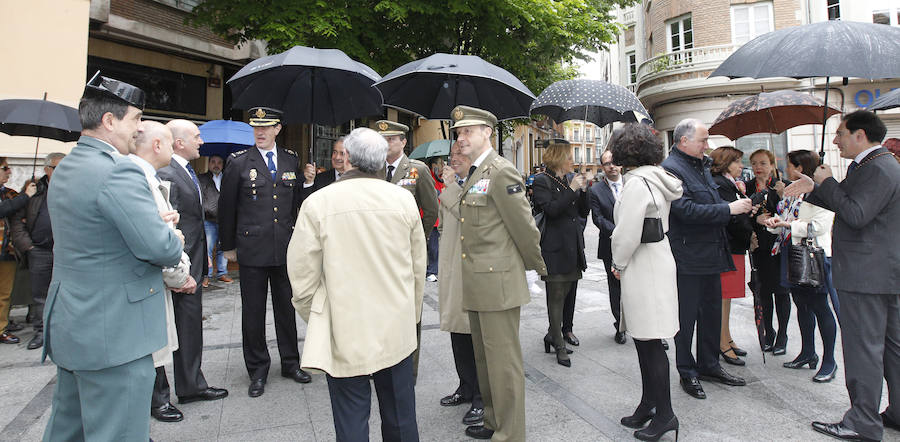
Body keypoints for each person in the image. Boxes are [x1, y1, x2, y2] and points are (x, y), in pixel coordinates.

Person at [42, 73, 184, 441]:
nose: (138, 130)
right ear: (109, 121)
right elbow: (162, 249)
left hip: (75, 324)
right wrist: (169, 231)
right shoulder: (117, 171)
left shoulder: (68, 167)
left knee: (68, 430)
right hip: (114, 333)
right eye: (135, 119)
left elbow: (97, 235)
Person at [287, 127, 425, 442]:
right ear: (382, 160)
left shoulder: (318, 203)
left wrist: (318, 316)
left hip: (344, 326)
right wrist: (410, 315)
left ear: (346, 158)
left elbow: (301, 277)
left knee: (350, 420)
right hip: (394, 327)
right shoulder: (402, 200)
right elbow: (417, 269)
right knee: (401, 418)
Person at [784, 111, 900, 441]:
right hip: (880, 273)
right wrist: (815, 186)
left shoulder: (878, 166)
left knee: (864, 349)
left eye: (841, 134)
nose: (836, 140)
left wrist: (827, 181)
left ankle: (863, 421)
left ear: (860, 135)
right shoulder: (873, 164)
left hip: (867, 275)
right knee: (892, 347)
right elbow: (846, 199)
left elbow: (856, 213)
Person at [452, 105, 546, 441]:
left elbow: (524, 226)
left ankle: (511, 433)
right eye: (459, 132)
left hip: (499, 281)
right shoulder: (477, 172)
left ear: (487, 133)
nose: (460, 137)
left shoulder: (501, 171)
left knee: (503, 364)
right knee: (485, 360)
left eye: (468, 131)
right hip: (479, 281)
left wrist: (536, 268)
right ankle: (494, 421)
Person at [218, 106, 311, 398]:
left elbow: (296, 205)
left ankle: (290, 362)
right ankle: (257, 370)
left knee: (286, 309)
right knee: (253, 313)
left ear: (278, 129)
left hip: (284, 248)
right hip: (251, 249)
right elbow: (227, 207)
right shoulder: (239, 162)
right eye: (256, 127)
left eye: (266, 127)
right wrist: (228, 246)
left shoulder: (290, 159)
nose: (260, 132)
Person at [661, 118, 752, 400]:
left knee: (712, 314)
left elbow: (708, 204)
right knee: (686, 318)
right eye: (703, 140)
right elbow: (685, 210)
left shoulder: (700, 166)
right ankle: (687, 371)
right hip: (688, 255)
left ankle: (710, 365)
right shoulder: (671, 170)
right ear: (683, 141)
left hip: (712, 252)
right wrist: (729, 209)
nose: (708, 146)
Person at [609, 123, 683, 442]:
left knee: (650, 340)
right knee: (645, 338)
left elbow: (627, 231)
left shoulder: (637, 182)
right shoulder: (656, 177)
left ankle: (665, 414)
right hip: (655, 257)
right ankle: (649, 403)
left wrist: (618, 262)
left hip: (643, 262)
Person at [153, 119, 229, 418]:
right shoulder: (164, 172)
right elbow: (166, 225)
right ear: (179, 142)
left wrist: (204, 259)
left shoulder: (187, 171)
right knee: (164, 331)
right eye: (196, 136)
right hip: (174, 268)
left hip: (193, 263)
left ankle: (191, 386)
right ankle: (159, 398)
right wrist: (177, 268)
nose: (202, 141)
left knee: (188, 327)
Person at [130, 121, 197, 423]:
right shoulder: (139, 179)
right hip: (151, 280)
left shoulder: (147, 175)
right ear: (158, 145)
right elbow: (157, 239)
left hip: (160, 275)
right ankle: (156, 402)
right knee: (150, 347)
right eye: (170, 142)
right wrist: (180, 272)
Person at [762, 149, 837, 383]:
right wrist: (774, 222)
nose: (785, 169)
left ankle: (830, 360)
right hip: (791, 252)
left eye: (790, 165)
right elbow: (783, 218)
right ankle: (808, 352)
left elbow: (819, 227)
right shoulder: (791, 192)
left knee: (820, 306)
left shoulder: (820, 192)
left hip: (813, 255)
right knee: (801, 304)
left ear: (801, 168)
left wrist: (788, 224)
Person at [376, 119, 438, 379]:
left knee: (410, 309)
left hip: (406, 252)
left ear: (403, 142)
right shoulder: (373, 168)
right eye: (384, 140)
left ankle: (408, 369)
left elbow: (431, 209)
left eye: (392, 139)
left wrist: (418, 240)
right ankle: (380, 361)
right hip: (378, 251)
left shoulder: (417, 169)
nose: (388, 143)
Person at [532, 139, 591, 367]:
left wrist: (583, 190)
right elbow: (552, 210)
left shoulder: (568, 180)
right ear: (558, 158)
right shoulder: (541, 181)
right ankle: (558, 344)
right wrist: (572, 189)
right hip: (554, 248)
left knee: (567, 294)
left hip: (573, 246)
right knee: (555, 297)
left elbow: (583, 211)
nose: (571, 161)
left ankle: (552, 333)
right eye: (568, 157)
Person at [437, 141, 483, 426]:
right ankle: (465, 386)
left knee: (475, 336)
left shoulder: (479, 184)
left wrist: (452, 186)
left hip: (473, 271)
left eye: (459, 154)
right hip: (452, 268)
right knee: (457, 330)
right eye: (452, 155)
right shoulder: (452, 187)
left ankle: (481, 396)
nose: (453, 159)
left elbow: (470, 216)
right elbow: (443, 224)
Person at [10, 153, 64, 349]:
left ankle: (63, 331)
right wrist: (28, 246)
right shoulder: (33, 190)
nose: (62, 171)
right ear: (47, 169)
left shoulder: (72, 187)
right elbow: (17, 222)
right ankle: (42, 332)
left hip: (65, 250)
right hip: (39, 249)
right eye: (57, 168)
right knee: (41, 294)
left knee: (66, 292)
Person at [710, 146, 754, 367]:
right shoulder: (721, 184)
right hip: (727, 246)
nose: (741, 166)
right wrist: (751, 228)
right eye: (737, 162)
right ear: (726, 163)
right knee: (723, 297)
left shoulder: (729, 184)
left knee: (727, 297)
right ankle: (721, 341)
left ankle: (726, 337)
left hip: (733, 246)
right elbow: (731, 217)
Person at [745, 149, 792, 352]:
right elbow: (742, 215)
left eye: (763, 163)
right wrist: (753, 222)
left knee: (781, 292)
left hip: (779, 246)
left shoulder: (783, 185)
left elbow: (791, 214)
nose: (758, 168)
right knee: (763, 291)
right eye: (754, 163)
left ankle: (783, 335)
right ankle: (768, 331)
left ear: (772, 165)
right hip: (758, 246)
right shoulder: (746, 187)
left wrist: (780, 196)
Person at [590, 148, 627, 345]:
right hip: (610, 245)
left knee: (639, 287)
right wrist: (619, 232)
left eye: (614, 162)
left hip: (636, 246)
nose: (611, 166)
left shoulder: (633, 183)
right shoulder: (595, 190)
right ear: (602, 167)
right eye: (607, 163)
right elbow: (597, 218)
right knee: (616, 288)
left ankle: (647, 331)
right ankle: (620, 326)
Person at [0, 158, 37, 344]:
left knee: (5, 293)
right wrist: (25, 197)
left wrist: (28, 191)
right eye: (5, 168)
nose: (9, 172)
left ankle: (1, 327)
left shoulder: (9, 194)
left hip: (7, 250)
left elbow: (17, 208)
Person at [197, 154, 232, 288]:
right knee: (208, 247)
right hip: (208, 219)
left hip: (224, 219)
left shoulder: (228, 179)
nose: (216, 165)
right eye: (213, 162)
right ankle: (206, 275)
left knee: (224, 247)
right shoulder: (202, 178)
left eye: (219, 162)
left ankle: (222, 273)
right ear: (209, 163)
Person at [297, 136, 349, 208]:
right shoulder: (320, 178)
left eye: (342, 153)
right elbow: (307, 206)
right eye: (335, 152)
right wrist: (309, 182)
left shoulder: (359, 179)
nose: (337, 157)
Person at [425, 155, 446, 282]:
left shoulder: (440, 179)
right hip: (432, 218)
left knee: (437, 246)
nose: (443, 167)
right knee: (433, 247)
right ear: (433, 166)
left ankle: (435, 269)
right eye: (441, 164)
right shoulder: (429, 179)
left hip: (440, 218)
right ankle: (431, 270)